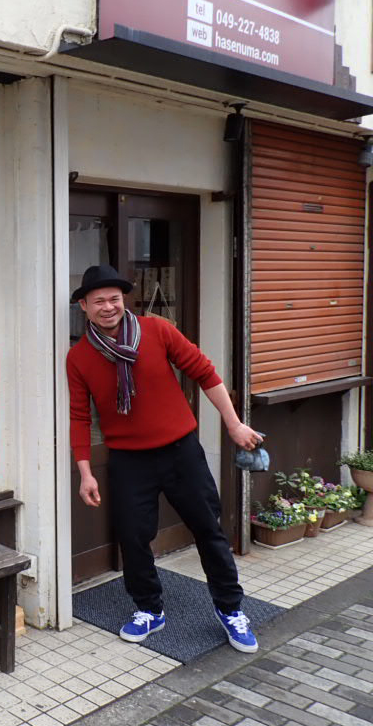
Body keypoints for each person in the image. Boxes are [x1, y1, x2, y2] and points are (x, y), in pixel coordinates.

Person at [66, 264, 263, 653]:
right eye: (99, 301)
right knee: (134, 538)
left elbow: (206, 373)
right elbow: (78, 416)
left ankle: (231, 609)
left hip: (180, 451)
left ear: (124, 301)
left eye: (114, 299)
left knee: (208, 528)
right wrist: (85, 473)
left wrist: (235, 425)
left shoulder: (157, 330)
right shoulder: (79, 357)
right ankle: (149, 609)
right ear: (84, 307)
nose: (108, 307)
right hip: (128, 460)